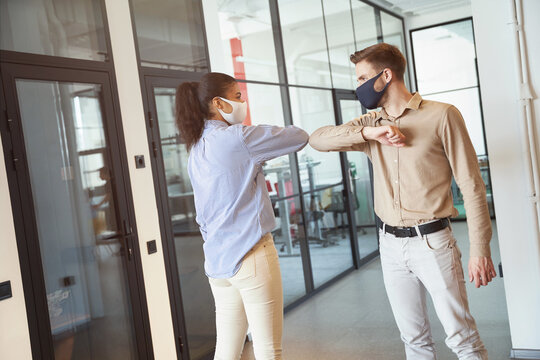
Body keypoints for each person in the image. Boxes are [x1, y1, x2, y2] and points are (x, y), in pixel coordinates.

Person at [309, 43, 495, 360]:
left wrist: (480, 249)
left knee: (462, 339)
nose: (359, 87)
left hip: (434, 242)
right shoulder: (370, 125)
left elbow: (472, 186)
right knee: (413, 341)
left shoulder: (442, 115)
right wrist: (371, 135)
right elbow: (318, 139)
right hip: (390, 246)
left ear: (386, 75)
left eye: (362, 78)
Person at [176, 72, 308, 360]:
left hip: (218, 263)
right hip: (252, 257)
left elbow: (203, 213)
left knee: (226, 349)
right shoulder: (237, 138)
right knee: (267, 349)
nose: (242, 102)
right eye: (237, 97)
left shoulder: (196, 149)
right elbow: (299, 136)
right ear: (217, 103)